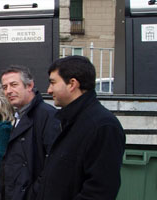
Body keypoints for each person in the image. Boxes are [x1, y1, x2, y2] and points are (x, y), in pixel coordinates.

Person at [32, 56, 125, 199]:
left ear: (72, 84)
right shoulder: (68, 121)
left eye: (53, 83)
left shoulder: (102, 126)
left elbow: (99, 191)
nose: (49, 90)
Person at [0, 66, 60, 200]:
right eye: (5, 87)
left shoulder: (48, 116)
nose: (9, 91)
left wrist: (32, 193)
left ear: (29, 86)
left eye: (14, 85)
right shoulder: (18, 116)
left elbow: (53, 164)